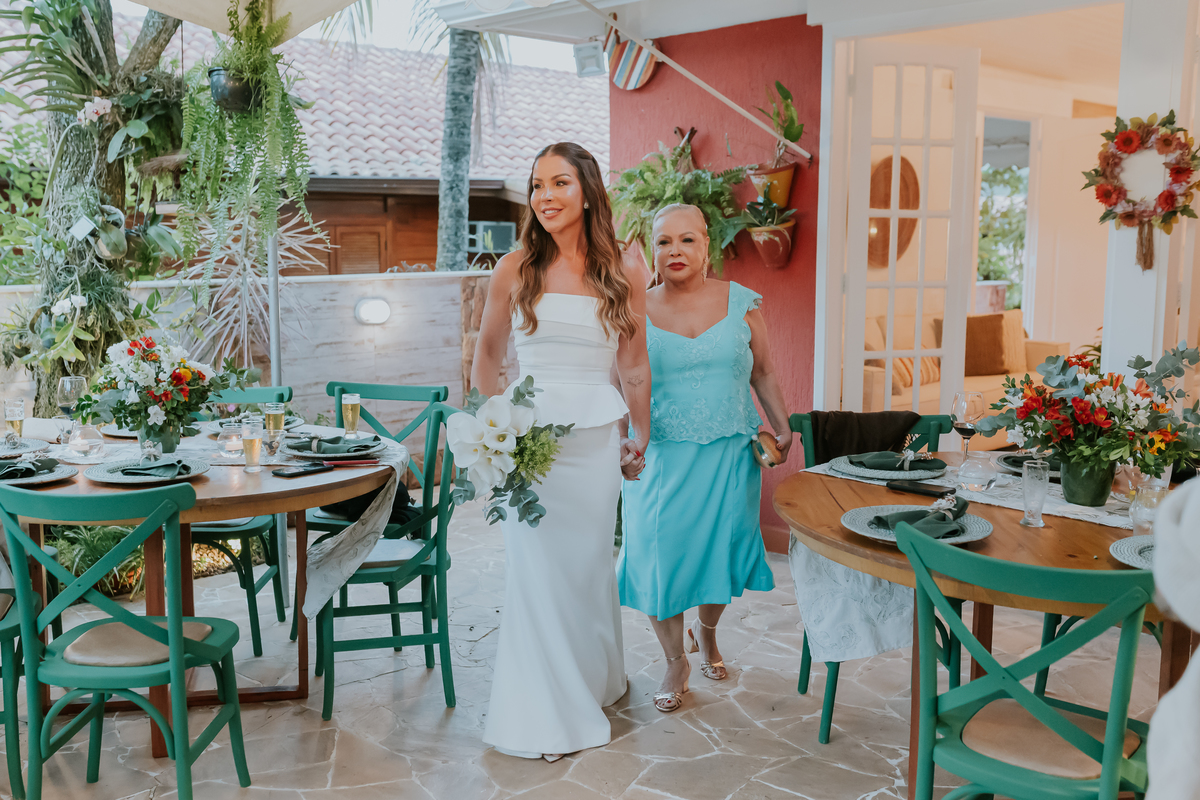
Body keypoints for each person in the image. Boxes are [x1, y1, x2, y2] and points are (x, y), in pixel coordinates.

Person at [471, 142, 652, 760]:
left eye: (559, 183)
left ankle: (596, 678)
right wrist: (493, 428)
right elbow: (488, 354)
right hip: (527, 443)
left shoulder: (623, 271)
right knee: (538, 574)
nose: (545, 196)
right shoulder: (514, 268)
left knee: (586, 567)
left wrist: (640, 434)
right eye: (537, 184)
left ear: (588, 191)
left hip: (595, 444)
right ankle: (548, 712)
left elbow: (633, 362)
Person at [616, 203, 791, 713]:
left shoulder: (742, 303)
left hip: (729, 456)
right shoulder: (633, 309)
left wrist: (782, 425)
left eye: (687, 239)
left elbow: (763, 372)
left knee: (721, 551)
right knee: (656, 557)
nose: (675, 250)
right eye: (664, 241)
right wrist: (622, 444)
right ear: (653, 251)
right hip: (657, 456)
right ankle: (675, 660)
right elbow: (619, 383)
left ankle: (707, 631)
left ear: (706, 245)